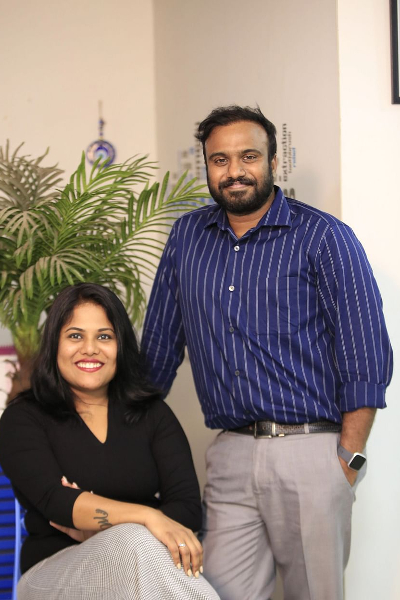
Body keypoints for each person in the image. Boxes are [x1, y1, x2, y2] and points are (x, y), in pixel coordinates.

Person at [141, 105, 393, 600]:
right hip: (229, 454)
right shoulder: (187, 237)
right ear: (207, 166)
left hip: (312, 452)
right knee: (216, 592)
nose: (234, 171)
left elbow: (364, 355)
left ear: (274, 162)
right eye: (220, 160)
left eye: (249, 156)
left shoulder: (324, 237)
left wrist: (348, 461)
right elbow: (157, 350)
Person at [0, 283, 220, 600]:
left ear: (120, 345)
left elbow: (186, 510)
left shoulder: (152, 413)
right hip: (52, 571)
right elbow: (58, 503)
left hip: (140, 563)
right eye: (75, 336)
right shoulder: (23, 418)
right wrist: (149, 515)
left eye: (104, 336)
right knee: (134, 541)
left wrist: (94, 523)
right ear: (54, 345)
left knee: (134, 546)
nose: (90, 349)